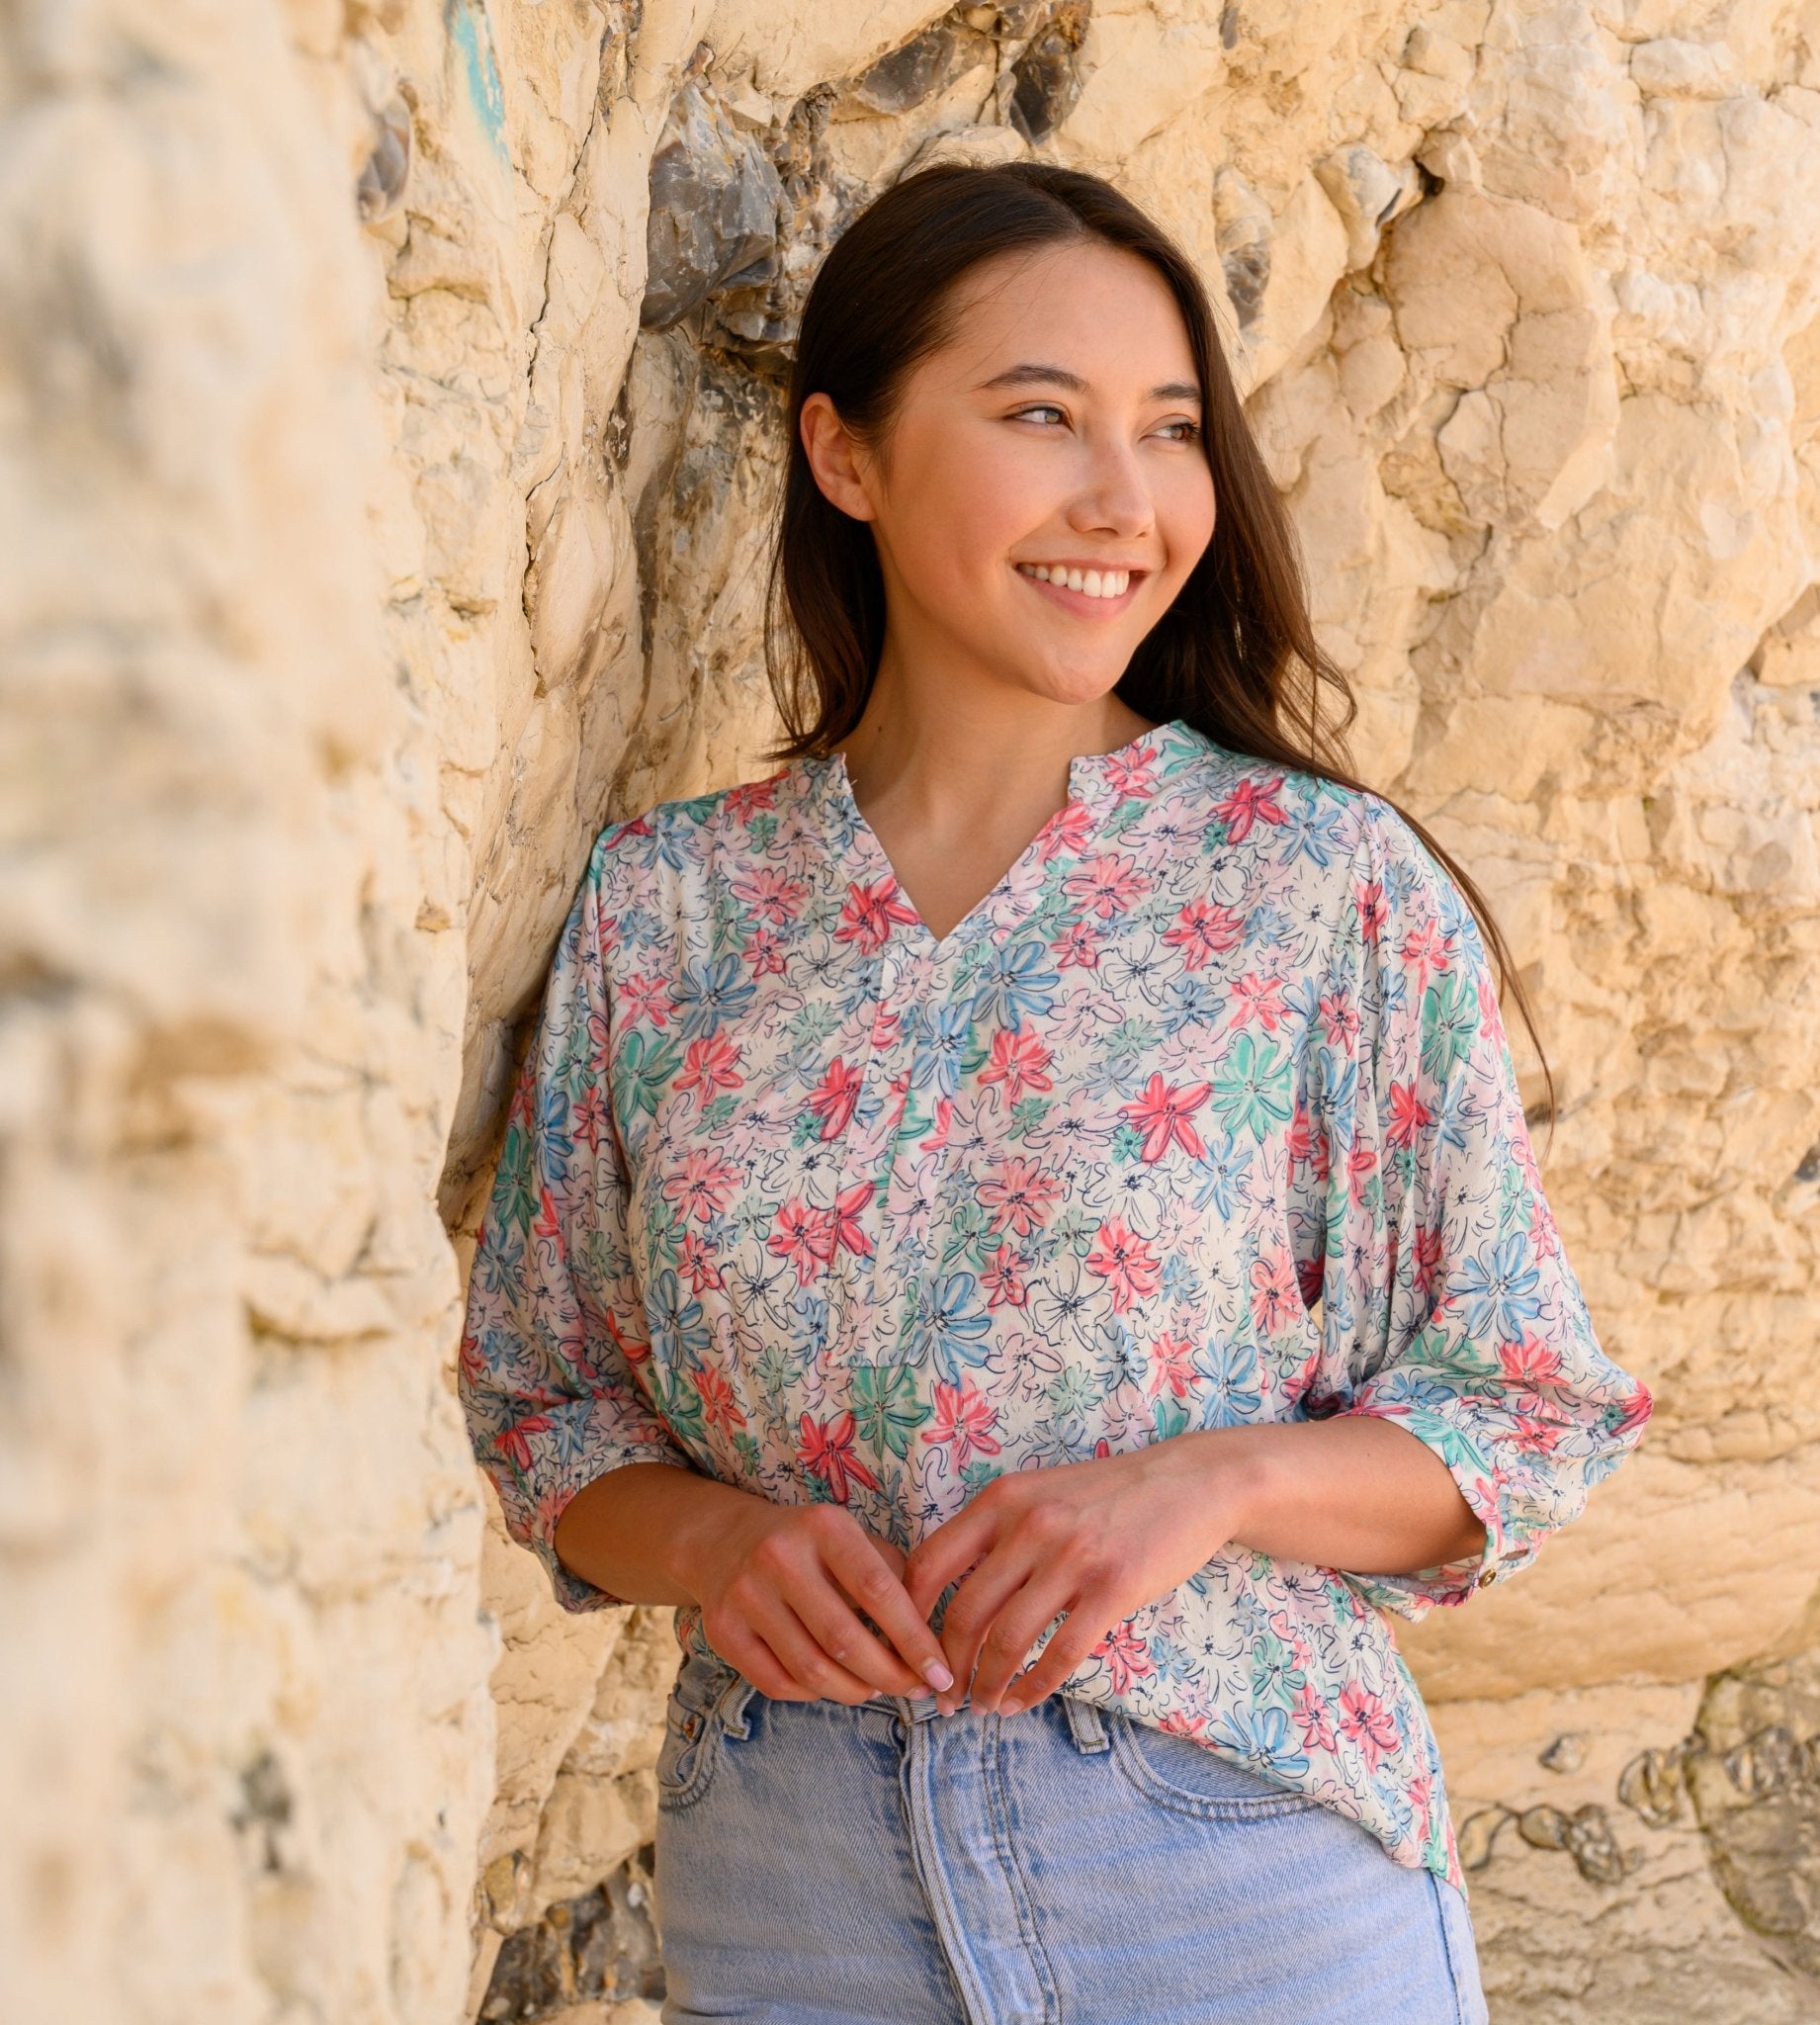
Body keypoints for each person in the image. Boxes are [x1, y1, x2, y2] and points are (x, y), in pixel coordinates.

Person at [458, 161, 1654, 2025]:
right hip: (790, 1889)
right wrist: (717, 1541)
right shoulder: (668, 907)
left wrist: (1213, 1483)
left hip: (1230, 1866)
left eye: (1169, 433)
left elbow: (1517, 1413)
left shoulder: (1313, 884)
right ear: (843, 454)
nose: (1125, 502)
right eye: (1040, 417)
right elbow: (545, 1400)